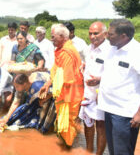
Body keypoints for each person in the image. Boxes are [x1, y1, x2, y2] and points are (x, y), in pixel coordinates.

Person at [97, 19, 140, 155]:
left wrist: (139, 113)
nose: (107, 36)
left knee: (122, 152)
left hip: (125, 113)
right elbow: (115, 74)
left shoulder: (136, 52)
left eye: (110, 34)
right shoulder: (112, 49)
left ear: (124, 36)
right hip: (108, 108)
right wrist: (99, 80)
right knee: (113, 150)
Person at [39, 23, 84, 147]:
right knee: (63, 121)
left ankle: (69, 146)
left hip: (70, 93)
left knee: (68, 121)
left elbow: (68, 78)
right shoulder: (60, 50)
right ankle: (67, 144)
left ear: (62, 36)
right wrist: (48, 83)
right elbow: (56, 68)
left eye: (53, 37)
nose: (51, 39)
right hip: (63, 92)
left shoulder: (68, 51)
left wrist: (52, 94)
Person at [78, 21, 109, 154]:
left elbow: (116, 74)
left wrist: (99, 80)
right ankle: (89, 150)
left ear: (105, 34)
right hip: (88, 93)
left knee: (101, 125)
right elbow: (86, 61)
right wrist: (83, 64)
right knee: (87, 122)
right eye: (90, 33)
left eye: (96, 33)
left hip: (102, 93)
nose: (92, 36)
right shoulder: (88, 48)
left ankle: (99, 153)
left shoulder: (110, 50)